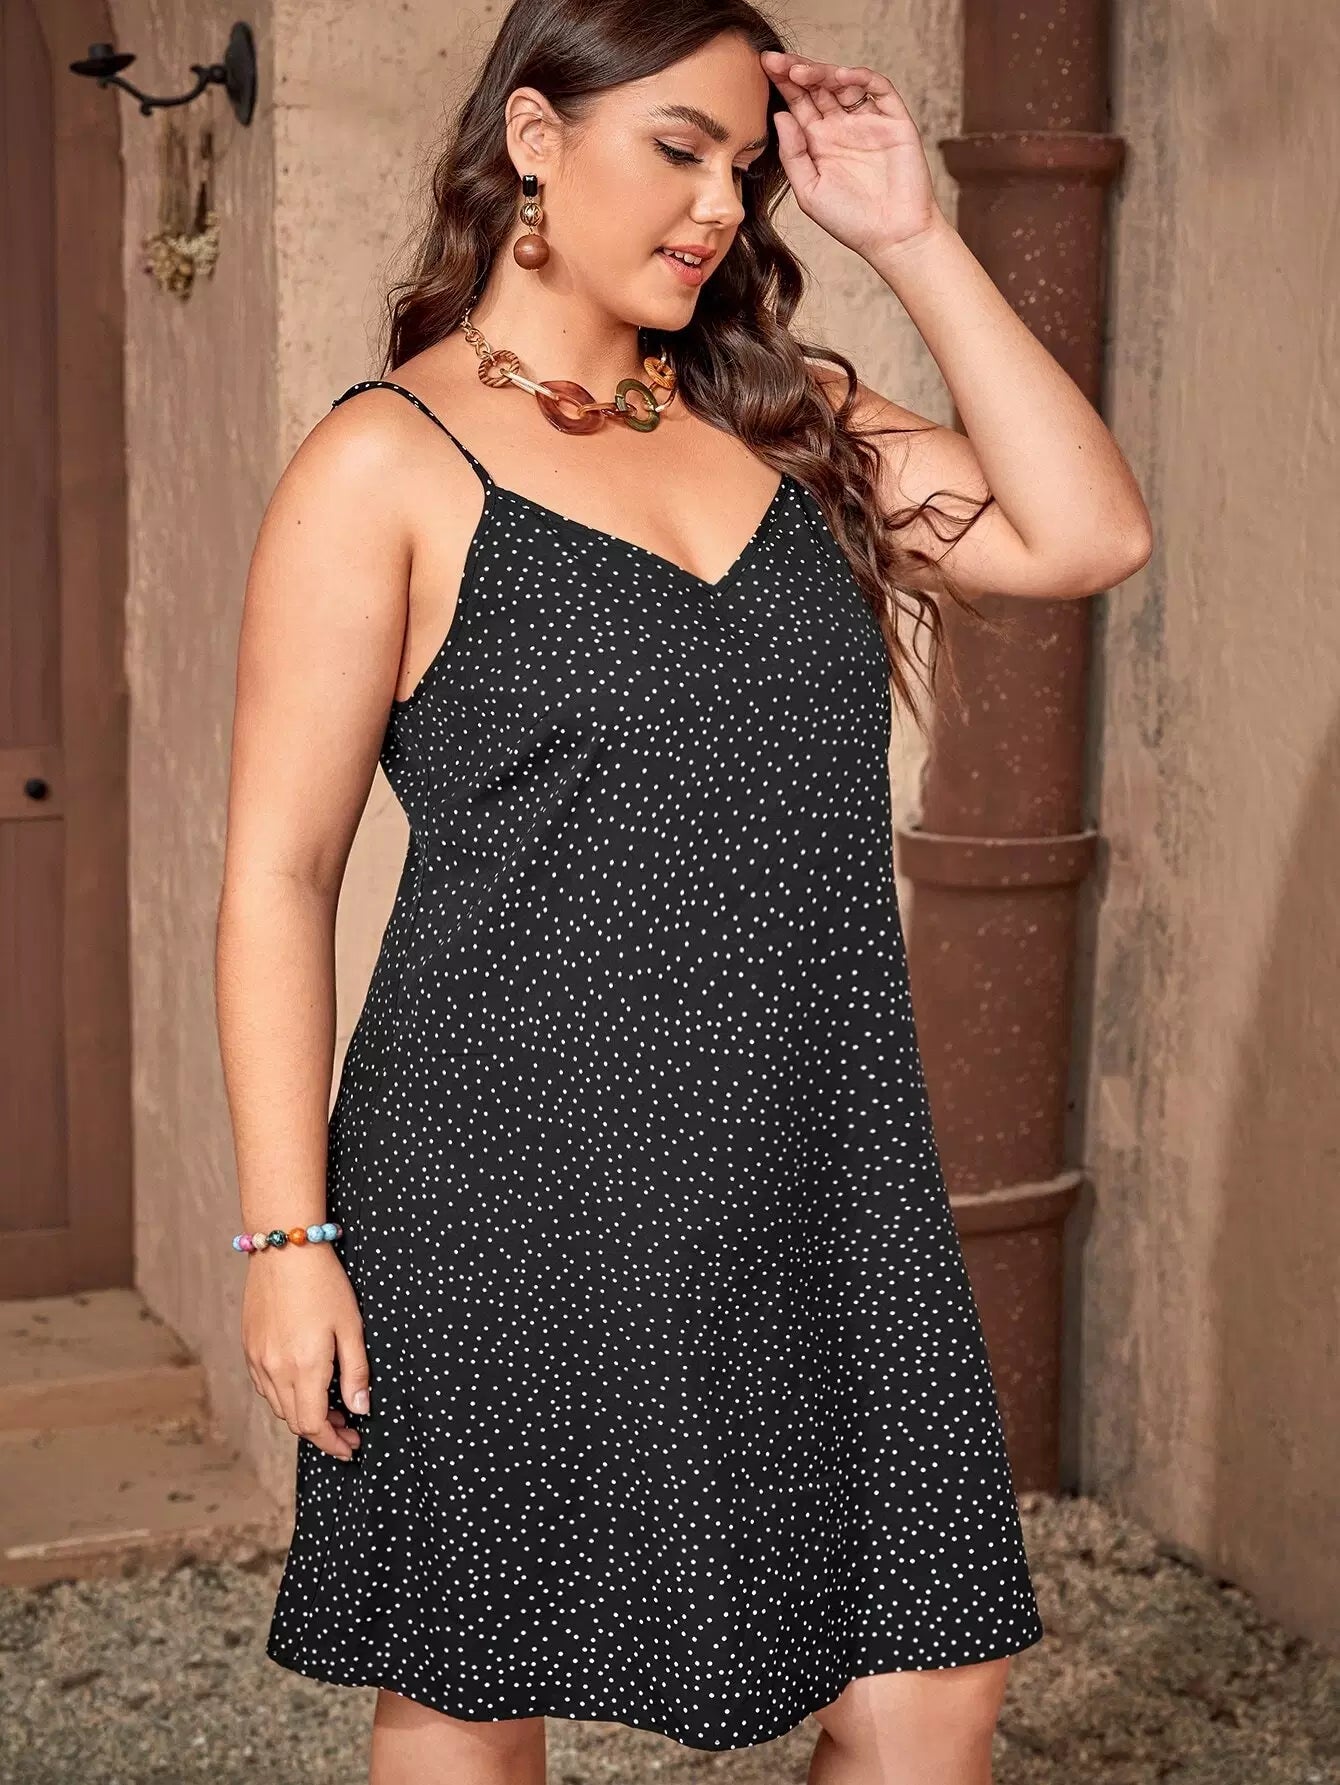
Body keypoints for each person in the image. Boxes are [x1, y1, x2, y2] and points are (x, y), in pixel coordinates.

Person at [215, 3, 1151, 1782]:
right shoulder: (384, 464)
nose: (722, 203)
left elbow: (1087, 532)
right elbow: (279, 871)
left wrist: (911, 235)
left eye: (745, 162)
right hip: (503, 1175)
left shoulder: (785, 417)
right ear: (536, 140)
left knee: (932, 1692)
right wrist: (286, 1240)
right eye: (677, 148)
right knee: (473, 1679)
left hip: (822, 1169)